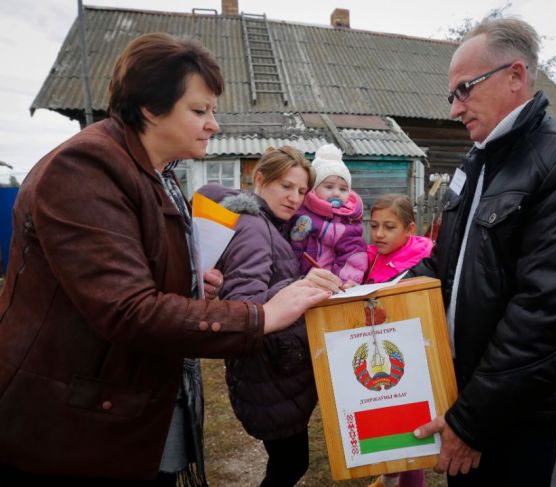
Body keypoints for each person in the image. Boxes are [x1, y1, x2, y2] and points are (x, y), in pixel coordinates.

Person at [0, 33, 332, 486]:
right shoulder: (84, 169)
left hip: (120, 404)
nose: (213, 124)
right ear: (151, 108)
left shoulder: (157, 175)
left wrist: (195, 285)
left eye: (212, 111)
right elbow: (126, 308)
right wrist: (261, 316)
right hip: (72, 427)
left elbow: (138, 274)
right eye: (199, 111)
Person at [408, 17, 556, 487]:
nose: (455, 110)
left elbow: (548, 314)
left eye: (464, 90)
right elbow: (445, 265)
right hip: (464, 396)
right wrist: (379, 297)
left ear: (515, 76)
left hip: (513, 416)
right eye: (452, 95)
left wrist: (471, 421)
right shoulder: (476, 163)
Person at [197, 146, 343, 486]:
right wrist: (300, 286)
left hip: (273, 372)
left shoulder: (269, 224)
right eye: (286, 186)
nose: (295, 198)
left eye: (302, 191)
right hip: (268, 372)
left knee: (289, 462)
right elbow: (244, 307)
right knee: (291, 464)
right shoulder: (254, 227)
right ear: (260, 179)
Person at [365, 193, 433, 487]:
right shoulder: (370, 256)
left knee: (410, 430)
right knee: (385, 424)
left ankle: (403, 479)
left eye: (389, 227)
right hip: (379, 354)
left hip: (411, 357)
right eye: (375, 225)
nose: (379, 234)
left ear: (410, 229)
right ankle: (390, 473)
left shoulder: (422, 262)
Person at [290, 143, 368, 284]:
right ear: (313, 189)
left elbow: (353, 255)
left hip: (332, 283)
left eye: (343, 189)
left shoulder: (347, 221)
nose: (336, 193)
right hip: (300, 282)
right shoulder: (300, 212)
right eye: (329, 186)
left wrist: (344, 281)